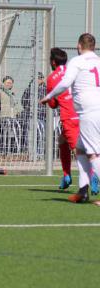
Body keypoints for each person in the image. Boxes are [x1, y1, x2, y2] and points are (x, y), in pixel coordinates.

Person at [41, 33, 100, 203]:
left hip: (90, 113)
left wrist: (49, 96)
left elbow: (66, 83)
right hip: (93, 111)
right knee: (81, 150)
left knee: (94, 154)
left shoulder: (77, 61)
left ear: (79, 46)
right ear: (94, 46)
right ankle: (82, 191)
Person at [19, 72, 47, 152]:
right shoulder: (29, 89)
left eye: (39, 78)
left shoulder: (46, 90)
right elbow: (23, 101)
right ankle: (26, 149)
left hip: (41, 115)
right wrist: (30, 106)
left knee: (40, 132)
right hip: (29, 115)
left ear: (42, 80)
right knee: (26, 131)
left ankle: (39, 152)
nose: (37, 80)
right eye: (36, 78)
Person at [0, 76, 18, 154]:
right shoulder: (0, 92)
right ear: (4, 83)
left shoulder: (12, 93)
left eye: (11, 83)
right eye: (8, 82)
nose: (9, 84)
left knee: (12, 134)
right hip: (3, 116)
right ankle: (2, 151)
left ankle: (11, 150)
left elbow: (15, 105)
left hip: (12, 116)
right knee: (2, 133)